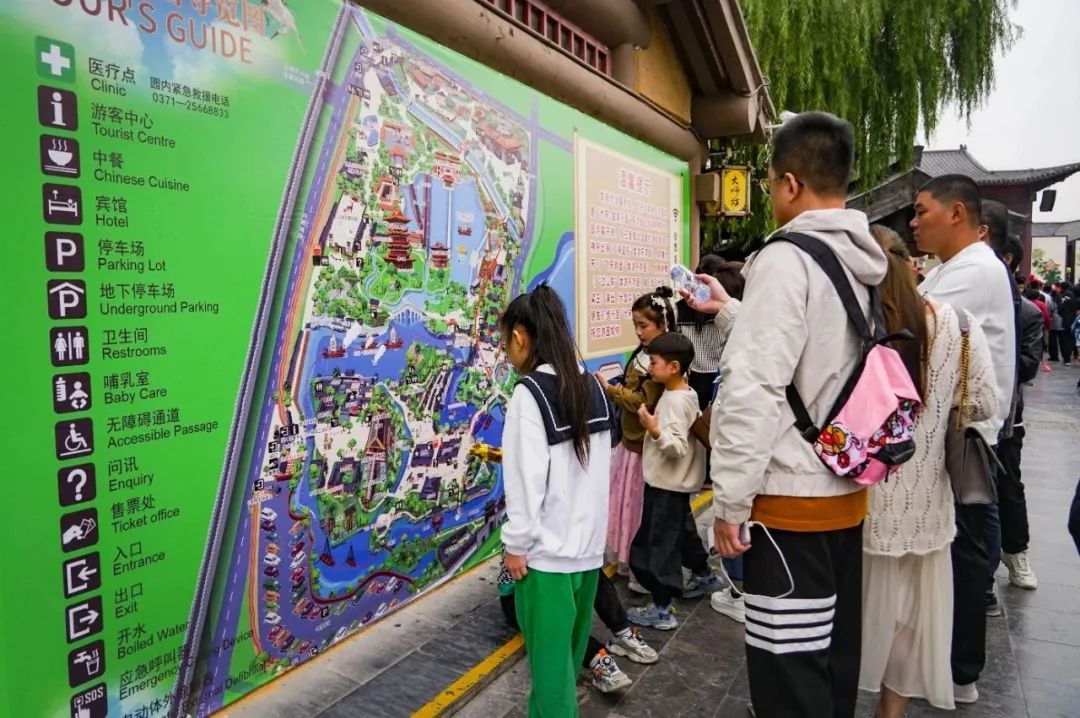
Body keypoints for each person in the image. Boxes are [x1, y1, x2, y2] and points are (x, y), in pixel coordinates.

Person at [695, 111, 888, 718]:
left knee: (789, 678)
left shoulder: (786, 258)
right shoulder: (862, 260)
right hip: (846, 496)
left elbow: (753, 387)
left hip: (789, 506)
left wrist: (730, 502)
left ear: (791, 184)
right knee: (831, 666)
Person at [858, 226, 1001, 717]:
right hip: (926, 503)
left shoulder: (859, 325)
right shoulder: (959, 324)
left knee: (851, 613)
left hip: (858, 494)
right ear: (911, 265)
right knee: (908, 620)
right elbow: (986, 402)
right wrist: (940, 411)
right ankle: (890, 712)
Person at [910, 176, 1016, 705]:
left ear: (955, 213)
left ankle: (958, 670)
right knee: (959, 550)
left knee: (965, 553)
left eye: (921, 211)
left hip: (962, 440)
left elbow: (907, 323)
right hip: (952, 434)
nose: (913, 222)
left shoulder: (975, 270)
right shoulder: (951, 267)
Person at [499, 284, 613, 717]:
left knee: (552, 680)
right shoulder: (591, 386)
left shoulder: (529, 394)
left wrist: (516, 544)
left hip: (546, 558)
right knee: (567, 661)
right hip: (587, 553)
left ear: (521, 337)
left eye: (506, 340)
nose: (506, 350)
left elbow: (526, 481)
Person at [626, 331, 720, 630]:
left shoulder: (673, 402)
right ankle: (704, 575)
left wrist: (654, 430)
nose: (650, 367)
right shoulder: (687, 393)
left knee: (656, 547)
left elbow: (677, 447)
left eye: (654, 362)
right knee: (682, 535)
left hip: (666, 486)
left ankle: (662, 608)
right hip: (676, 486)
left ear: (674, 367)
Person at [980, 203, 1042, 605]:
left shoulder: (1029, 313)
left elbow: (1027, 366)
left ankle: (1016, 553)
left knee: (1008, 487)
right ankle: (982, 574)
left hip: (1007, 416)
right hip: (970, 411)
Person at [596, 288, 674, 579]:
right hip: (631, 443)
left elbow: (642, 400)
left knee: (636, 508)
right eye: (636, 325)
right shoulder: (644, 354)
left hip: (643, 446)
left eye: (644, 326)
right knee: (625, 504)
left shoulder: (659, 361)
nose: (639, 332)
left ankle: (638, 567)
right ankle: (628, 560)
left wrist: (611, 390)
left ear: (662, 325)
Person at [497, 557, 659, 694]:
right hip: (520, 593)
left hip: (557, 576)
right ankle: (597, 657)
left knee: (590, 567)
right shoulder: (524, 535)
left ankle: (622, 632)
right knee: (552, 614)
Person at [1058, 284, 1079, 366]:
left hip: (1067, 322)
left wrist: (1065, 316)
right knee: (1074, 340)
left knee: (1067, 341)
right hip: (1077, 323)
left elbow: (1060, 311)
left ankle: (1067, 359)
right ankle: (1075, 354)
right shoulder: (1078, 301)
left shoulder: (1067, 300)